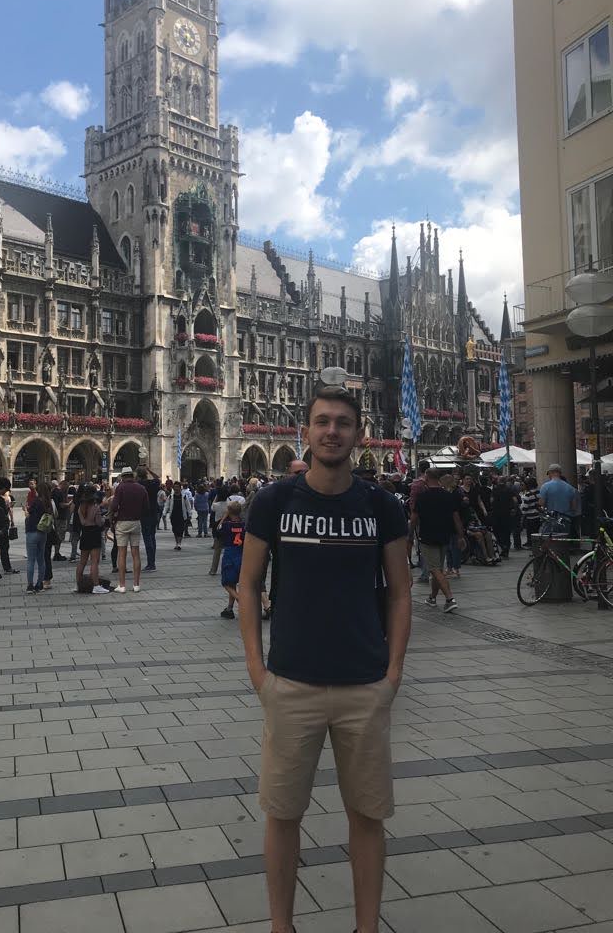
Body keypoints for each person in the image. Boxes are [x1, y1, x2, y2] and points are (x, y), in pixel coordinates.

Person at [238, 386, 411, 933]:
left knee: (367, 816)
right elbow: (248, 586)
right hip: (291, 685)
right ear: (306, 431)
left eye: (342, 422)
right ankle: (281, 927)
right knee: (283, 815)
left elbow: (402, 592)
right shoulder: (273, 501)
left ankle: (366, 928)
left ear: (359, 433)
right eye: (321, 422)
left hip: (365, 685)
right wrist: (257, 672)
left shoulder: (382, 505)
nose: (331, 431)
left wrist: (393, 675)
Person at [411, 468, 466, 612]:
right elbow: (456, 518)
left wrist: (409, 536)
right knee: (438, 569)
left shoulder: (422, 497)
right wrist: (461, 536)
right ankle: (432, 598)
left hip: (427, 537)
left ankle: (449, 599)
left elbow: (414, 519)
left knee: (435, 569)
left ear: (427, 478)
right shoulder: (448, 496)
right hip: (444, 536)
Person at [111, 467, 148, 593]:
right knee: (135, 553)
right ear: (132, 476)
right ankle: (136, 585)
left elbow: (114, 506)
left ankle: (122, 585)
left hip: (122, 522)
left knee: (122, 553)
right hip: (136, 522)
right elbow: (146, 507)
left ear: (122, 476)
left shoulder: (120, 487)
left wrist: (113, 516)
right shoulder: (141, 488)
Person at [75, 485, 108, 595]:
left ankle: (78, 584)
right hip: (94, 533)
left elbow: (82, 522)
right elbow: (99, 523)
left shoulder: (81, 507)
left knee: (82, 562)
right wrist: (103, 519)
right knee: (94, 561)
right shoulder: (95, 507)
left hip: (84, 533)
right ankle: (96, 586)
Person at [25, 482, 52, 592]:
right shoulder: (48, 503)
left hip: (32, 531)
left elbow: (29, 513)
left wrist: (26, 510)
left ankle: (30, 585)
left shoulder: (36, 501)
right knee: (41, 560)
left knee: (31, 560)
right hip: (43, 532)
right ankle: (39, 584)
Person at [539, 464, 579, 535]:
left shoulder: (545, 487)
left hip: (550, 521)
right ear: (560, 473)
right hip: (566, 521)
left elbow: (541, 504)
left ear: (551, 473)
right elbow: (574, 507)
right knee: (563, 543)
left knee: (549, 543)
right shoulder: (571, 488)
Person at [137, 465, 161, 570]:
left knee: (147, 538)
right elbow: (157, 478)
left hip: (144, 514)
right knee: (152, 537)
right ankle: (152, 562)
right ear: (146, 474)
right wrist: (149, 469)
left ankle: (150, 563)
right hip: (154, 513)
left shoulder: (139, 485)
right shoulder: (153, 484)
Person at [0, 478, 19, 575]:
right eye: (7, 489)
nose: (6, 492)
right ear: (4, 488)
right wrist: (8, 507)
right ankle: (7, 568)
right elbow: (3, 514)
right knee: (4, 549)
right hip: (1, 528)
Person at [163, 480, 192, 550]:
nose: (176, 488)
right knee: (175, 530)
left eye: (177, 487)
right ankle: (177, 543)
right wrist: (164, 513)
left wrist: (190, 514)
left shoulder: (184, 497)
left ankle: (179, 544)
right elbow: (167, 505)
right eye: (175, 487)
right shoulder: (170, 497)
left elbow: (188, 506)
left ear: (180, 488)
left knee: (181, 530)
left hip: (182, 516)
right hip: (173, 515)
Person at [209, 485, 230, 575]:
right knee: (229, 549)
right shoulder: (230, 504)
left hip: (219, 526)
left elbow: (212, 507)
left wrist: (216, 497)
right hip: (228, 526)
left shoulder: (216, 505)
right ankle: (228, 568)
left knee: (217, 550)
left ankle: (213, 570)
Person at [52, 480, 71, 560]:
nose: (67, 489)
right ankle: (56, 553)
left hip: (55, 516)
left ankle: (57, 553)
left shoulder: (54, 492)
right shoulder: (60, 493)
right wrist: (70, 503)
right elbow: (61, 505)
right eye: (67, 487)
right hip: (61, 517)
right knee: (60, 535)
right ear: (62, 485)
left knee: (57, 534)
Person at [521, 475, 542, 542]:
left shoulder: (528, 494)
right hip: (538, 516)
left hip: (530, 517)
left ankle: (531, 544)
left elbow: (524, 508)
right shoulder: (539, 492)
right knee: (536, 531)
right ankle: (536, 544)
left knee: (530, 532)